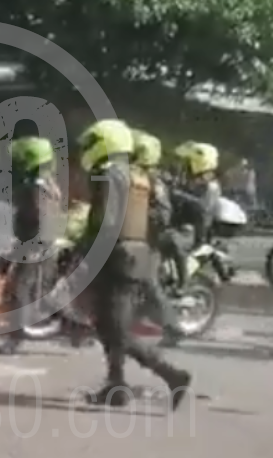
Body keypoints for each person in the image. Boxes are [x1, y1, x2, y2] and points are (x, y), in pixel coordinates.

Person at [74, 119, 192, 408]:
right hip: (134, 256)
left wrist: (82, 255)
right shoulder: (137, 176)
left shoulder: (108, 175)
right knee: (110, 325)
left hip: (115, 260)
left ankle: (172, 374)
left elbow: (104, 222)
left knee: (115, 330)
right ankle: (116, 388)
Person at [0, 136, 63, 356]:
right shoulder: (45, 183)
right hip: (39, 245)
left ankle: (16, 338)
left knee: (19, 291)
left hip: (36, 246)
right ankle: (69, 328)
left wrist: (19, 252)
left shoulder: (38, 187)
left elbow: (41, 223)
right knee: (32, 291)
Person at [131, 129, 182, 347]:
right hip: (136, 237)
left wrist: (140, 217)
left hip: (150, 240)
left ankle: (173, 328)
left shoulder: (153, 180)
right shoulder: (138, 176)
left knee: (148, 282)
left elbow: (163, 214)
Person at [165, 142, 222, 292]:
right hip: (181, 224)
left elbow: (203, 207)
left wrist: (179, 195)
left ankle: (183, 282)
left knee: (173, 241)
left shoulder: (211, 186)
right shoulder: (194, 180)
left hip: (193, 231)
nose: (185, 164)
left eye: (188, 161)